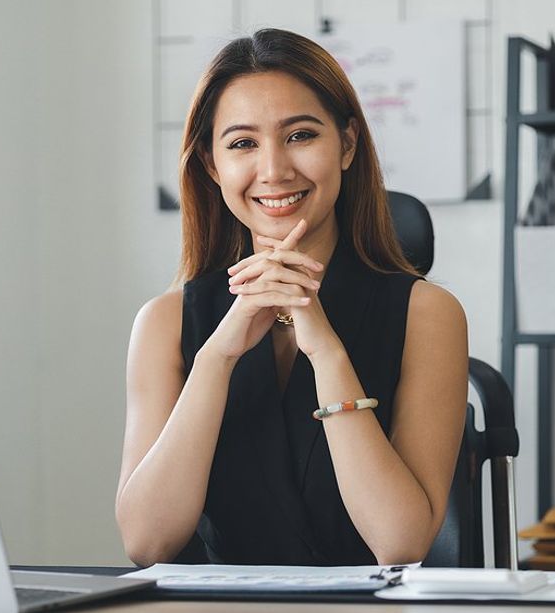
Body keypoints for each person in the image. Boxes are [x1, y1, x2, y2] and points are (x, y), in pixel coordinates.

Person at [116, 29, 467, 567]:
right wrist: (217, 357)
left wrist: (327, 352)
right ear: (212, 166)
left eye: (300, 136)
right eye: (242, 144)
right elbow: (146, 543)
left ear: (347, 144)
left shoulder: (427, 314)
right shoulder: (166, 322)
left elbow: (400, 543)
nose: (275, 170)